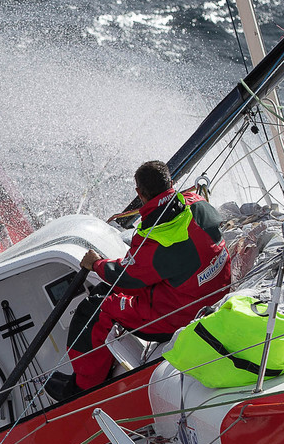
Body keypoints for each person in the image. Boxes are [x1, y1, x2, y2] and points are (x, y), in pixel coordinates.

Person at [45, 160, 232, 402]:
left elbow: (125, 279)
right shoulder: (199, 204)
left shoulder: (156, 237)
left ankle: (82, 389)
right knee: (105, 291)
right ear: (171, 183)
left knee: (93, 310)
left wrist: (95, 264)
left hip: (182, 315)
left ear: (139, 193)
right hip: (216, 292)